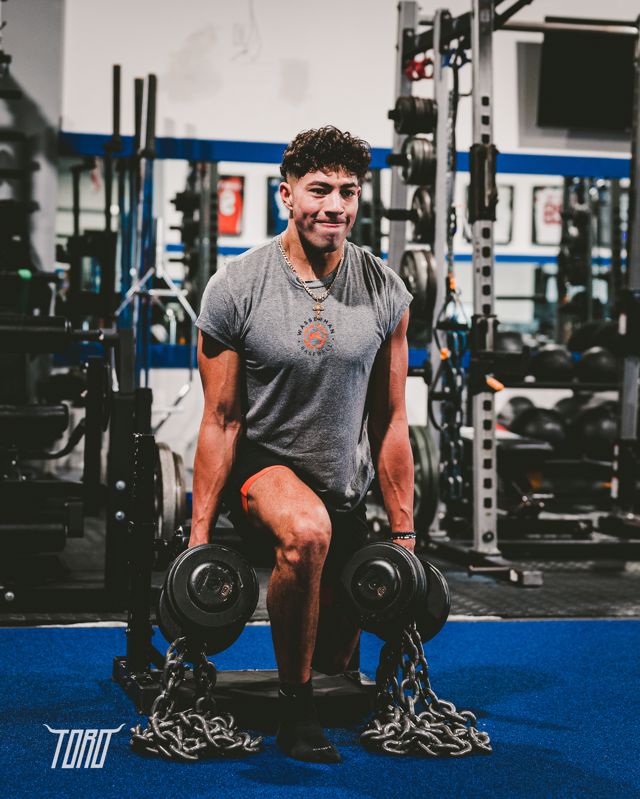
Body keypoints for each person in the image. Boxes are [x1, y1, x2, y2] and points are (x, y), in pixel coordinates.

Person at [190, 125, 415, 763]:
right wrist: (197, 537)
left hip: (342, 483)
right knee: (307, 530)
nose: (335, 206)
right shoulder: (237, 286)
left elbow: (391, 419)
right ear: (286, 194)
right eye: (319, 190)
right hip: (262, 470)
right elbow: (221, 419)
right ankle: (296, 712)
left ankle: (312, 685)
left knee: (337, 663)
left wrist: (404, 533)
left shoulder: (386, 291)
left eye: (348, 191)